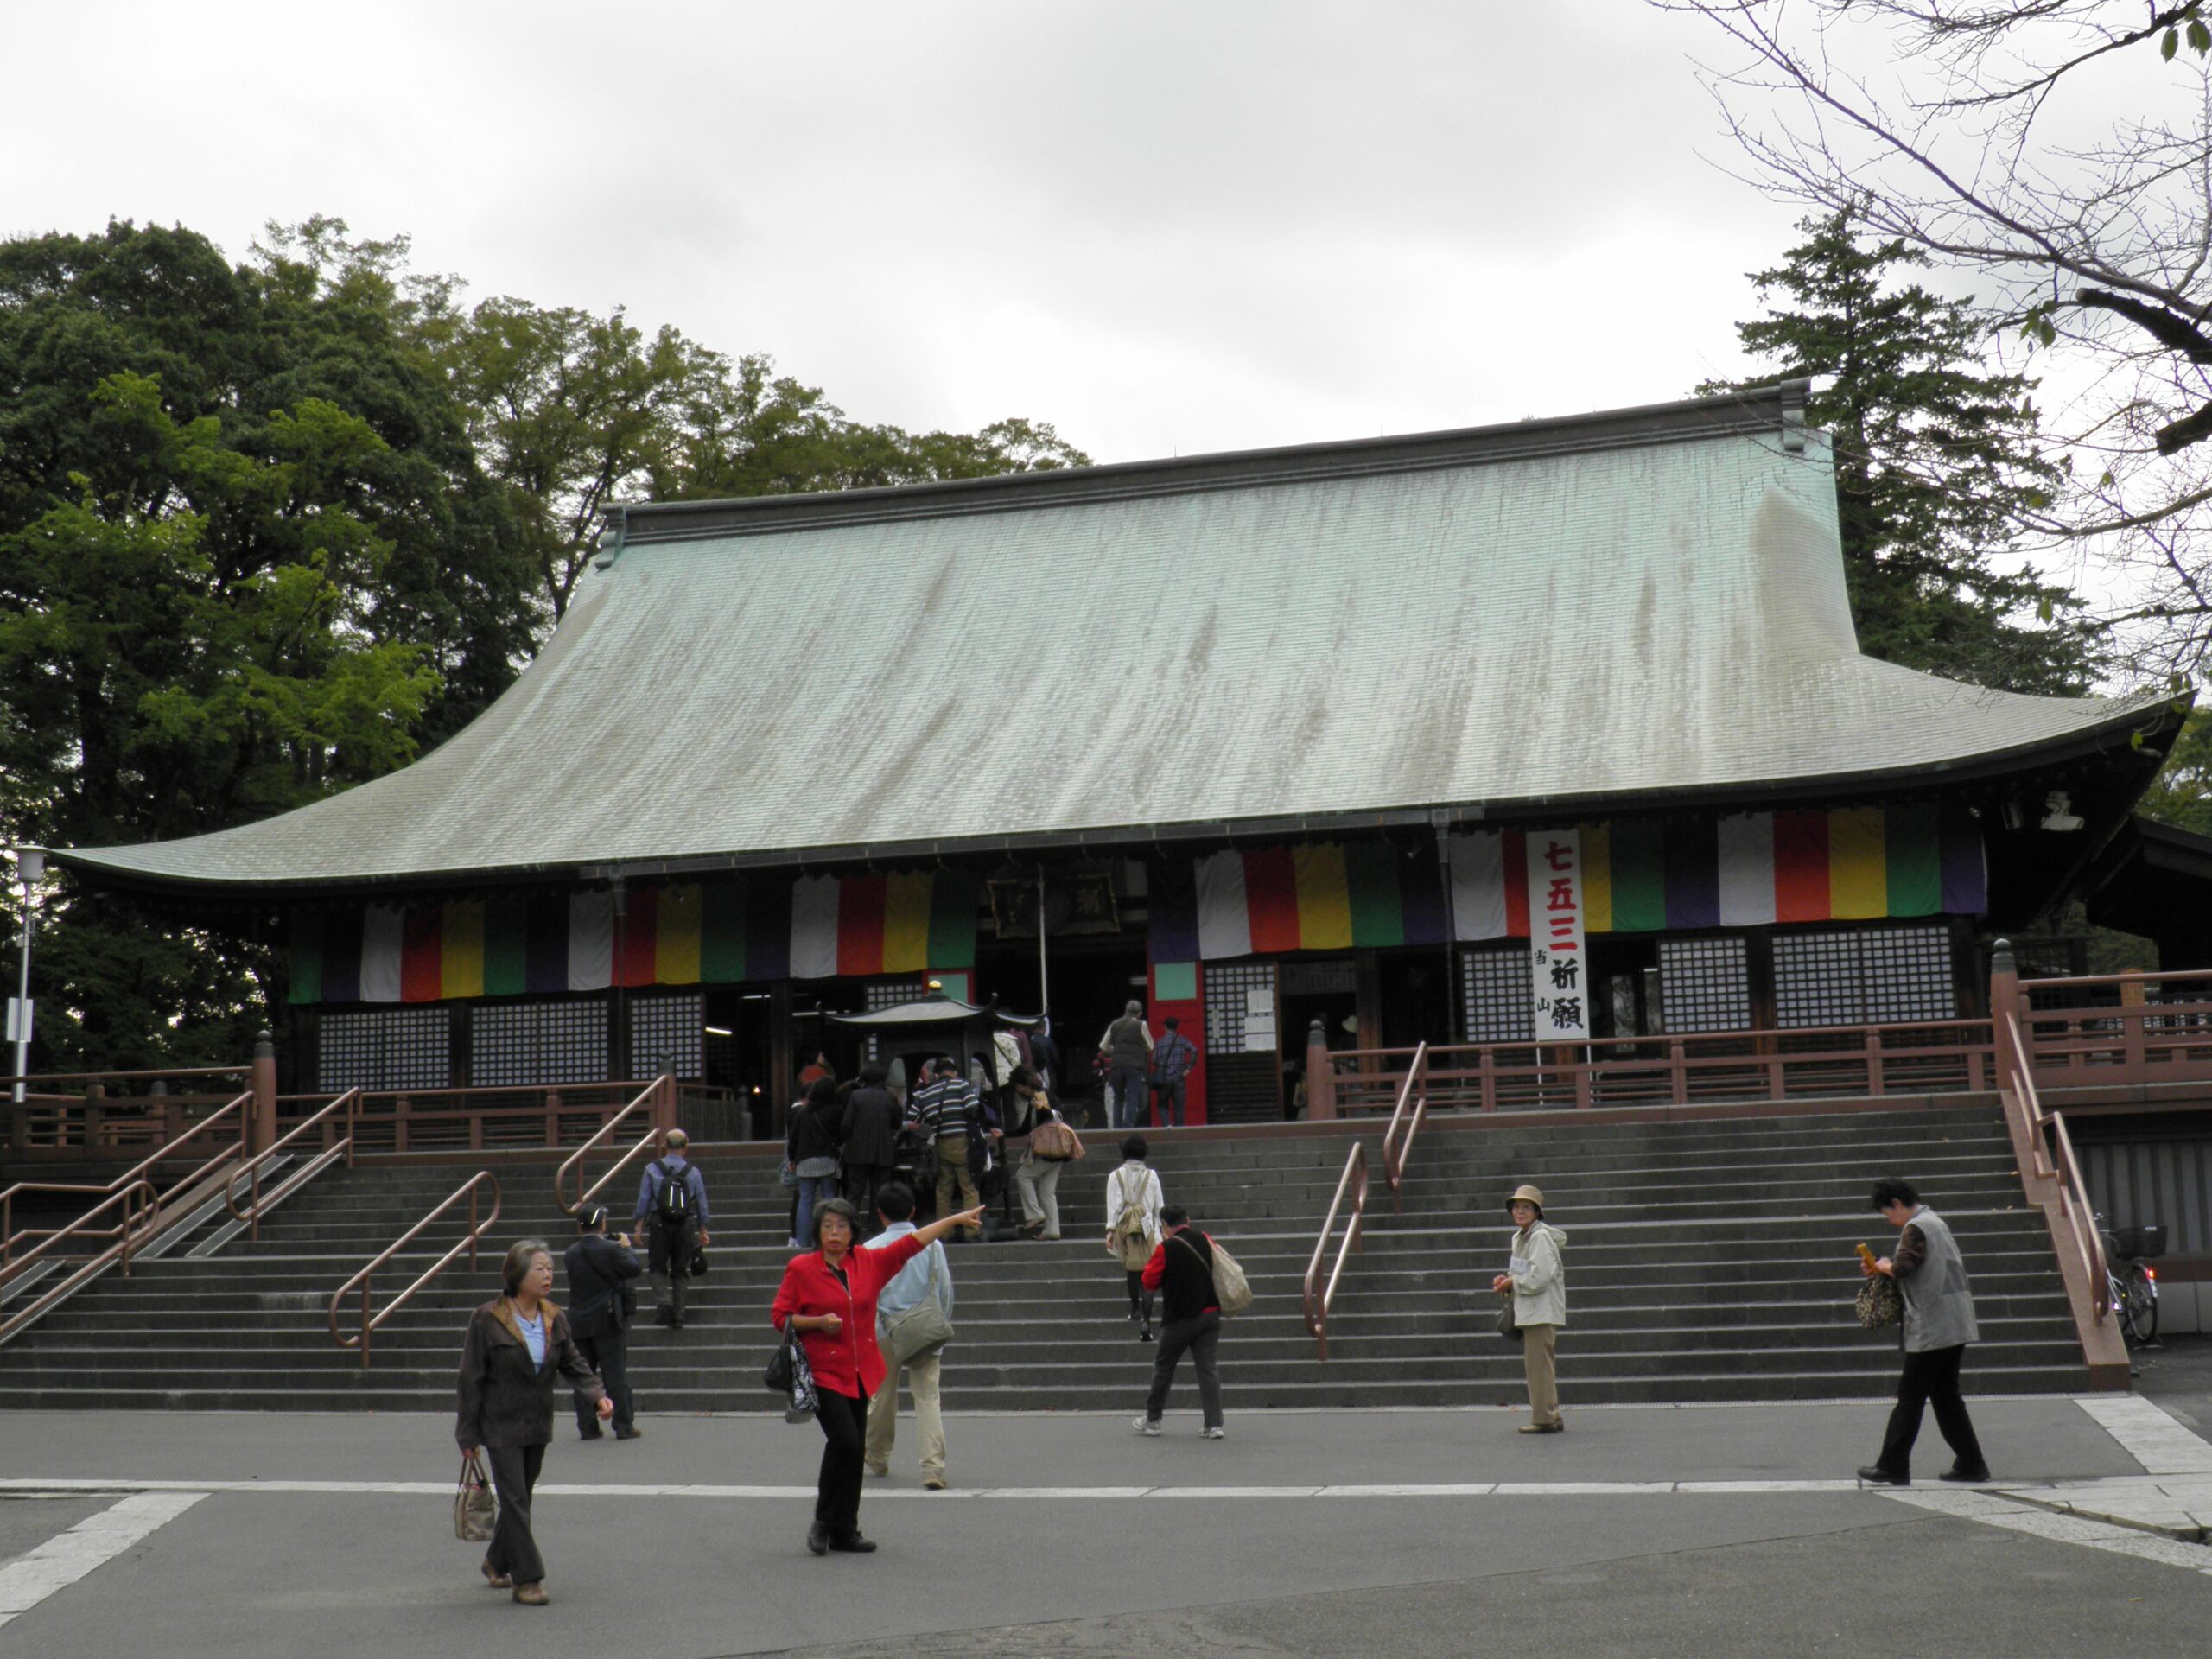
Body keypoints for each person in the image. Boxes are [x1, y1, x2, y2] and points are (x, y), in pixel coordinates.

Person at [772, 1195, 985, 1554]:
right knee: (847, 1442)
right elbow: (781, 1317)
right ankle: (824, 1522)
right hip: (823, 1371)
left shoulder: (869, 1262)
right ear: (818, 1231)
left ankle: (845, 1530)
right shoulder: (802, 1268)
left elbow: (911, 1244)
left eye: (841, 1226)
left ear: (854, 1231)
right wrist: (818, 1323)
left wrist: (952, 1220)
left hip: (860, 1369)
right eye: (827, 1226)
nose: (834, 1233)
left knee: (853, 1452)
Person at [455, 1238, 611, 1605]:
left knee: (520, 1499)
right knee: (515, 1499)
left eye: (550, 1269)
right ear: (516, 1274)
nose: (547, 1275)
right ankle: (528, 1579)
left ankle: (496, 1561)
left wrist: (597, 1395)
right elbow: (470, 1377)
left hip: (537, 1423)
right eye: (539, 1268)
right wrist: (468, 1432)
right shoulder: (488, 1318)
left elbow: (573, 1362)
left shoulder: (554, 1317)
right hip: (500, 1425)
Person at [1857, 1177, 1991, 1486]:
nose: (1890, 1220)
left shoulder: (1916, 1228)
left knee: (1911, 1395)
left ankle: (1892, 1465)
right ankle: (1972, 1463)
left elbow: (1904, 1268)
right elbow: (1918, 1266)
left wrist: (1883, 1266)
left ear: (1898, 1204)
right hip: (1955, 1319)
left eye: (1888, 1214)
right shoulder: (1936, 1223)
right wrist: (1882, 1265)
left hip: (1933, 1324)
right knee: (1945, 1396)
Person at [863, 1183, 954, 1488]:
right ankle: (932, 1468)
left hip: (885, 1329)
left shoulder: (871, 1248)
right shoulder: (932, 1244)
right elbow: (944, 1289)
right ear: (913, 1210)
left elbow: (865, 1295)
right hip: (924, 1326)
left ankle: (877, 1455)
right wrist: (940, 1321)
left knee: (881, 1397)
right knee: (928, 1398)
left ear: (880, 1214)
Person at [1131, 1204, 1226, 1438]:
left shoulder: (1166, 1248)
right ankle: (1213, 1425)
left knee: (1164, 1366)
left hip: (1180, 1319)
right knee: (1207, 1369)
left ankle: (1153, 1420)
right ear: (1188, 1220)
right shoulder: (1205, 1239)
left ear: (1164, 1225)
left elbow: (1149, 1281)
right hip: (1210, 1313)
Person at [562, 1205, 642, 1441]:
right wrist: (627, 1248)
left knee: (584, 1374)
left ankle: (587, 1426)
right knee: (615, 1373)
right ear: (603, 1224)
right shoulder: (611, 1249)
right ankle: (623, 1425)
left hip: (579, 1319)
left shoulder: (572, 1252)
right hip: (607, 1319)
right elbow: (634, 1269)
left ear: (581, 1225)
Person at [1491, 1183, 1567, 1434]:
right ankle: (1550, 1414)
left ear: (1536, 1212)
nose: (1519, 1211)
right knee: (1539, 1366)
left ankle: (1544, 1418)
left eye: (1526, 1207)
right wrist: (1507, 1282)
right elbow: (1522, 1272)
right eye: (1516, 1207)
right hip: (1532, 1310)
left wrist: (1515, 1281)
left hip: (1541, 1311)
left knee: (1538, 1367)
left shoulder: (1540, 1237)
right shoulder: (1521, 1237)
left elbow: (1540, 1277)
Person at [906, 1058, 993, 1243]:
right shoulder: (961, 1084)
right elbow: (972, 1107)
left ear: (936, 1075)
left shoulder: (925, 1092)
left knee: (943, 1190)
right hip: (962, 1142)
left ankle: (944, 1233)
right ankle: (972, 1231)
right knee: (969, 1188)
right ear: (953, 1072)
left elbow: (913, 1117)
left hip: (940, 1144)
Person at [632, 1128, 711, 1328]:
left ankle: (664, 1302)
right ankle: (679, 1314)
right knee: (680, 1270)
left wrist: (639, 1226)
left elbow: (644, 1199)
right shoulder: (693, 1172)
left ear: (665, 1146)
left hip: (659, 1223)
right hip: (685, 1225)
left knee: (657, 1268)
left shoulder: (652, 1169)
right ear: (685, 1147)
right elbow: (701, 1202)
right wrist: (703, 1229)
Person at [1104, 1135, 1164, 1338]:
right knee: (1149, 1273)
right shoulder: (1152, 1176)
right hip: (1149, 1229)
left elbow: (1113, 1207)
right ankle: (1147, 1321)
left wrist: (1110, 1231)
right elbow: (1159, 1207)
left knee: (1132, 1269)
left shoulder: (1115, 1176)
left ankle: (1135, 1309)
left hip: (1126, 1228)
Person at [1015, 1081, 1082, 1239]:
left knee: (1022, 1175)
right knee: (1047, 1190)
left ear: (1027, 1085)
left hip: (1049, 1151)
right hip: (1057, 1152)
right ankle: (1052, 1229)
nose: (1019, 1090)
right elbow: (1025, 1127)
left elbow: (1050, 1115)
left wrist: (1043, 1107)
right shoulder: (1035, 1100)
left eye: (1020, 1086)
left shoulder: (1041, 1096)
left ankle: (1034, 1213)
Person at [840, 1063, 902, 1226]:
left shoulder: (856, 1096)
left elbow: (846, 1124)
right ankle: (876, 1228)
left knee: (854, 1193)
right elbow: (897, 1123)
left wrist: (846, 1140)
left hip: (857, 1152)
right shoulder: (889, 1098)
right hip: (883, 1151)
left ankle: (849, 1226)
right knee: (880, 1193)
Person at [786, 1076, 845, 1249]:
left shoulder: (802, 1112)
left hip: (805, 1161)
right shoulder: (836, 1111)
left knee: (805, 1201)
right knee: (829, 1200)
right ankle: (829, 1239)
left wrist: (792, 1159)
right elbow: (841, 1134)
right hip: (827, 1159)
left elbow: (793, 1138)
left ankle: (803, 1242)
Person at [1101, 1001, 1154, 1131]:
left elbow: (1103, 1045)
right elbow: (1150, 1045)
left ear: (1125, 1010)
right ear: (1139, 1013)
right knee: (1132, 1097)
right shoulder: (1141, 1024)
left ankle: (1117, 1128)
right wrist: (1138, 1048)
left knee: (1118, 1098)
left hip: (1116, 1066)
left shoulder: (1114, 1024)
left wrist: (1115, 1050)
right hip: (1134, 1067)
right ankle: (1128, 1127)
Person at [1147, 1017, 1198, 1128]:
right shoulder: (1182, 1040)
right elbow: (1194, 1050)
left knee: (1162, 1105)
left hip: (1164, 1079)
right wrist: (1188, 1068)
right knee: (1179, 1108)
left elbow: (1154, 1060)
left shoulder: (1160, 1042)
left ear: (1165, 1027)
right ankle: (1179, 1132)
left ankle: (1167, 1125)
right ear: (1177, 1027)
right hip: (1179, 1078)